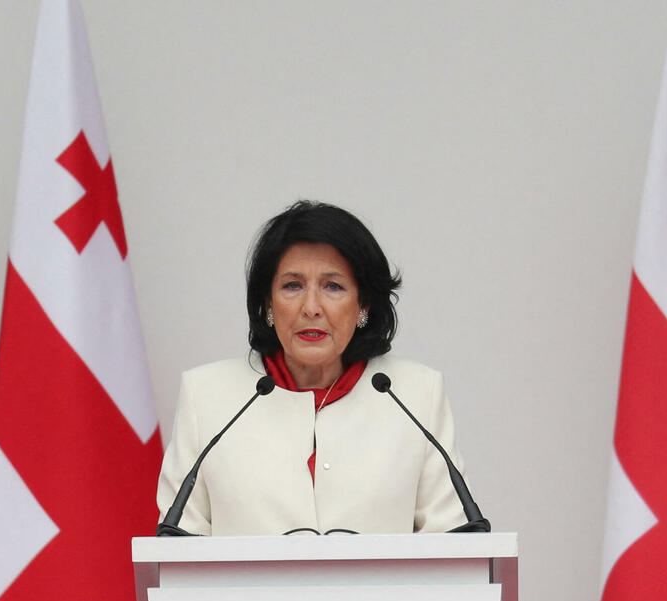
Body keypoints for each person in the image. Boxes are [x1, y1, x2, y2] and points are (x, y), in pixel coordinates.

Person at [156, 200, 470, 536]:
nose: (311, 308)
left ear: (363, 305)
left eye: (333, 286)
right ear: (268, 303)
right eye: (292, 286)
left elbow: (454, 544)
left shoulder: (416, 395)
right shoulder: (207, 397)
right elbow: (178, 545)